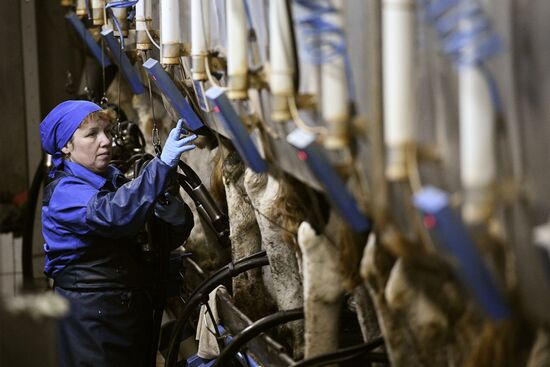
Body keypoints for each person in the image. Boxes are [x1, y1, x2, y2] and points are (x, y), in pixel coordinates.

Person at [40, 100, 197, 366]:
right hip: (92, 317)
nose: (106, 141)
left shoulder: (112, 178)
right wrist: (159, 167)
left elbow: (156, 240)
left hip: (123, 311)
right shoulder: (64, 192)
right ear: (66, 146)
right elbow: (114, 215)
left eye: (107, 132)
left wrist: (176, 217)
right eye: (92, 134)